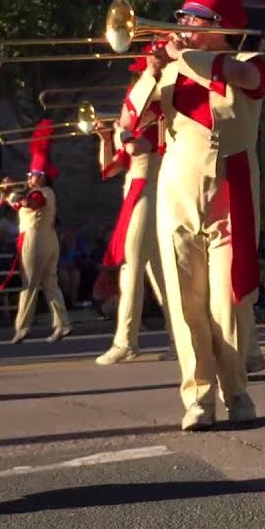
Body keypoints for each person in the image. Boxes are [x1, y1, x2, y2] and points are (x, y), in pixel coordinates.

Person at [130, 0, 265, 429]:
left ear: (221, 25)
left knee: (227, 302)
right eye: (184, 18)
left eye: (194, 20)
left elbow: (241, 79)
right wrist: (150, 75)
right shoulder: (169, 69)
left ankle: (237, 391)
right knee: (183, 300)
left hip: (232, 195)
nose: (183, 27)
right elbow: (130, 127)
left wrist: (185, 55)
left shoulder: (254, 59)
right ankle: (197, 396)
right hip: (176, 193)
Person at [92, 85, 173, 365]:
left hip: (148, 194)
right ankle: (180, 337)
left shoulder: (157, 126)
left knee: (131, 267)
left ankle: (126, 341)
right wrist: (105, 139)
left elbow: (137, 147)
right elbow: (108, 169)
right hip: (133, 195)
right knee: (160, 276)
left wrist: (120, 133)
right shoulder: (135, 131)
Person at [2, 121, 72, 344]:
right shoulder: (45, 191)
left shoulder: (40, 193)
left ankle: (22, 327)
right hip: (49, 240)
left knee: (29, 284)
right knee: (50, 283)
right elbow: (20, 205)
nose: (29, 177)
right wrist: (8, 194)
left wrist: (12, 194)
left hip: (36, 240)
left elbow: (31, 203)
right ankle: (62, 323)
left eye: (31, 174)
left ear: (40, 176)